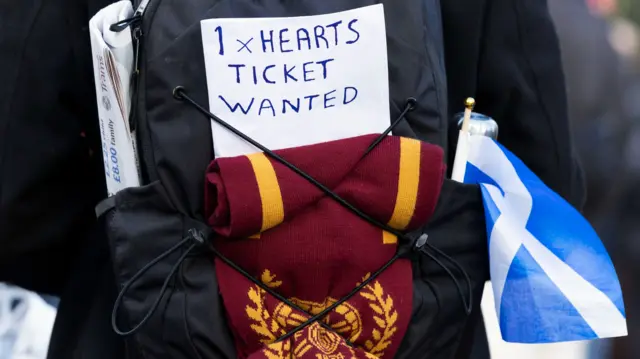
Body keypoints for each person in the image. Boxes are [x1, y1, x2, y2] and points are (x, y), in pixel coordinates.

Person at [0, 0, 584, 358]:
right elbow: (544, 174)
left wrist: (149, 246)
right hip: (417, 331)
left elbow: (18, 207)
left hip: (136, 329)